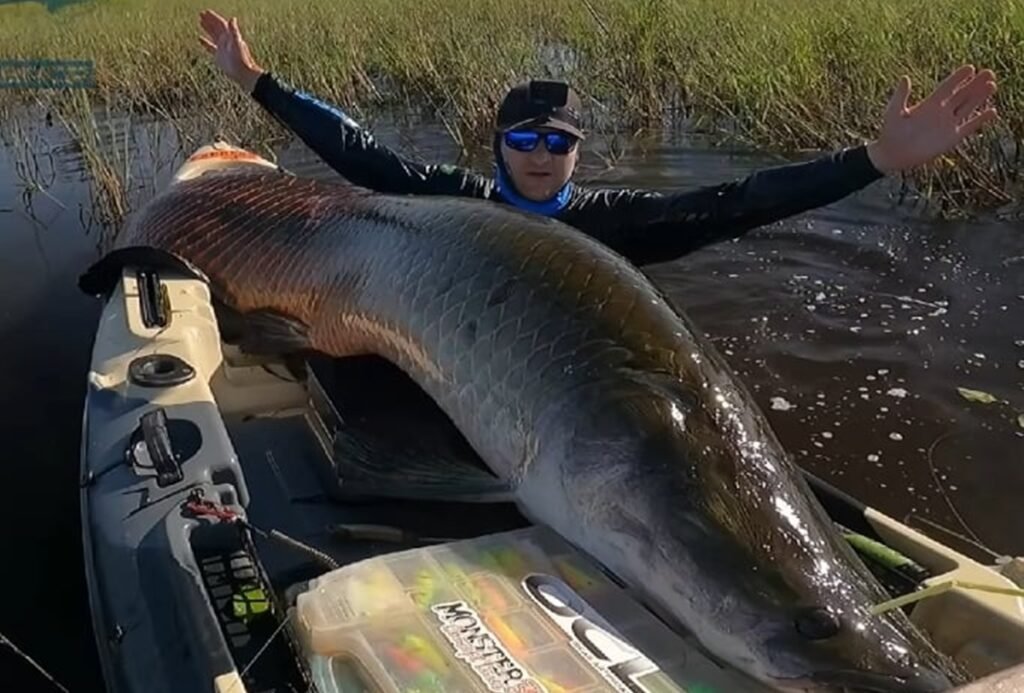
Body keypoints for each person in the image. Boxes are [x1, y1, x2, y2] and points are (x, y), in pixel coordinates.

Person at [198, 10, 998, 269]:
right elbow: (360, 152)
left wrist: (878, 159)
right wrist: (256, 80)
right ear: (498, 147)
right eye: (525, 141)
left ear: (579, 152)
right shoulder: (454, 201)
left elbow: (739, 203)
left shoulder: (613, 226)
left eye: (558, 143)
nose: (541, 158)